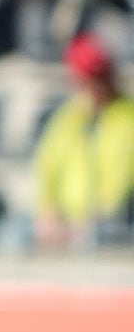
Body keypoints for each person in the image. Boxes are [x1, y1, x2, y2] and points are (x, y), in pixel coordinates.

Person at [32, 32, 134, 246]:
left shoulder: (127, 118)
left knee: (95, 238)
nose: (91, 87)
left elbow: (118, 187)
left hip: (109, 224)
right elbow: (46, 168)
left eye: (97, 78)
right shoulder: (67, 119)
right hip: (65, 222)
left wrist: (85, 224)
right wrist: (48, 214)